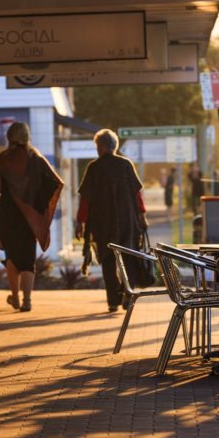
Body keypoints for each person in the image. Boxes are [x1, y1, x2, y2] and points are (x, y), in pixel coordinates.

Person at [0, 122, 64, 313]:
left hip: (8, 213)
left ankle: (16, 298)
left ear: (9, 137)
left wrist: (0, 173)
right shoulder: (36, 159)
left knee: (11, 256)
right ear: (27, 137)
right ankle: (27, 300)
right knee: (27, 256)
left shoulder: (2, 161)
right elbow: (55, 183)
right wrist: (38, 202)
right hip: (30, 214)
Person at [75, 129, 147, 312]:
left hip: (102, 221)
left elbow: (86, 199)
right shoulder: (126, 165)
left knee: (108, 260)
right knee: (128, 256)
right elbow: (137, 194)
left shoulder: (94, 167)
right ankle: (128, 294)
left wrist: (80, 221)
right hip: (127, 220)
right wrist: (142, 215)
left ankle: (113, 300)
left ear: (104, 146)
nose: (97, 149)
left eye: (98, 145)